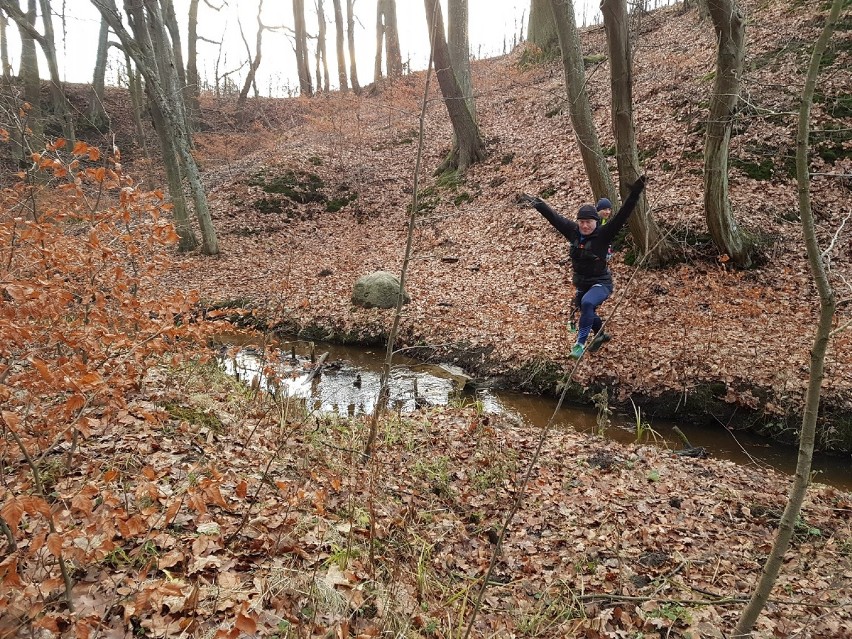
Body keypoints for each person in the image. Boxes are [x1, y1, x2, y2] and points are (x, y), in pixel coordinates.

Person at [522, 177, 646, 359]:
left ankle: (580, 343)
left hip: (600, 284)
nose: (585, 225)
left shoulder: (604, 234)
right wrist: (537, 203)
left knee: (587, 303)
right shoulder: (573, 231)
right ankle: (600, 334)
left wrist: (635, 193)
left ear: (596, 222)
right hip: (582, 284)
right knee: (586, 309)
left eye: (589, 222)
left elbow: (623, 215)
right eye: (582, 222)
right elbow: (554, 217)